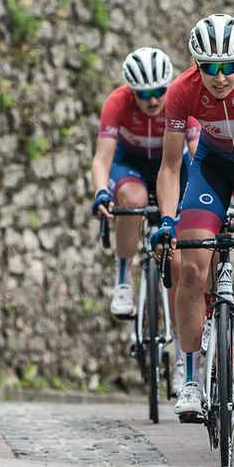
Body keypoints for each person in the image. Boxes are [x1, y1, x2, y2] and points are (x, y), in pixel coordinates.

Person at [153, 13, 234, 422]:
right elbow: (171, 167)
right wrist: (166, 220)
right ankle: (191, 378)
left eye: (229, 66)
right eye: (209, 67)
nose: (220, 76)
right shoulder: (182, 90)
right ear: (197, 65)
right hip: (211, 170)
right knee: (191, 269)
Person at [89, 47, 177, 318]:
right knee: (132, 199)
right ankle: (123, 277)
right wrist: (101, 192)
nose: (153, 100)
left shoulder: (180, 99)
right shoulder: (117, 102)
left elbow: (198, 153)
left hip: (171, 164)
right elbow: (102, 159)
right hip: (131, 164)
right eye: (144, 94)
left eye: (159, 91)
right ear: (132, 91)